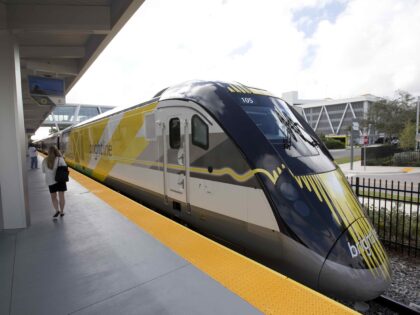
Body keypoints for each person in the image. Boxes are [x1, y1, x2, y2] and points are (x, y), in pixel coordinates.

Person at [42, 146, 67, 218]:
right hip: (60, 180)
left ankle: (57, 210)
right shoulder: (60, 159)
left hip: (50, 181)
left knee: (53, 197)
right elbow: (65, 168)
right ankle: (62, 212)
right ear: (56, 151)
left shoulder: (45, 160)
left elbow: (43, 171)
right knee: (61, 197)